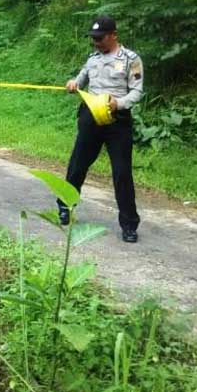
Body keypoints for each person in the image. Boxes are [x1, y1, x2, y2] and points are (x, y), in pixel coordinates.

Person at [61, 15, 144, 243]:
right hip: (91, 118)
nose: (96, 42)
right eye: (93, 38)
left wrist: (119, 103)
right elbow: (80, 81)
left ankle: (129, 225)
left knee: (122, 172)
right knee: (78, 163)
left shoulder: (131, 59)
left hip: (117, 120)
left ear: (113, 35)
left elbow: (137, 91)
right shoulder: (92, 59)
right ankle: (65, 206)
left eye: (100, 38)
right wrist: (73, 84)